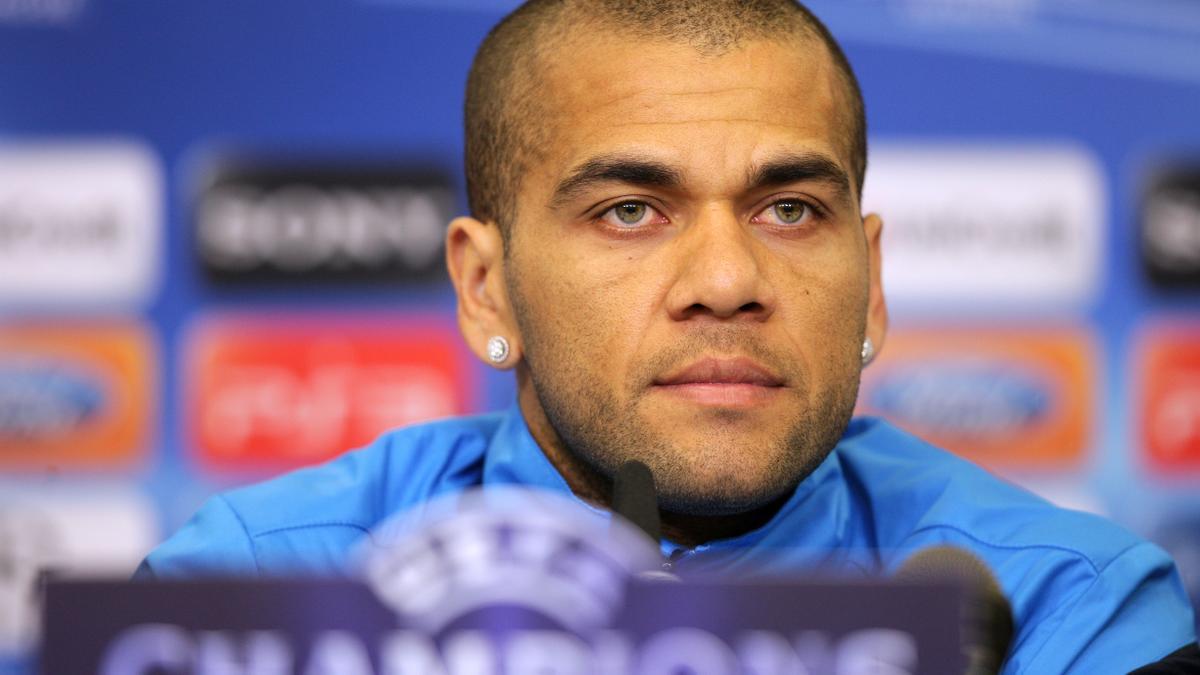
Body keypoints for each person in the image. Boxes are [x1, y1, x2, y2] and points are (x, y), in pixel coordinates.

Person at [138, 1, 1197, 671]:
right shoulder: (257, 595)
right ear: (486, 289)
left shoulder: (1069, 609)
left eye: (790, 210)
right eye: (631, 211)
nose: (728, 282)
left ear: (872, 284)